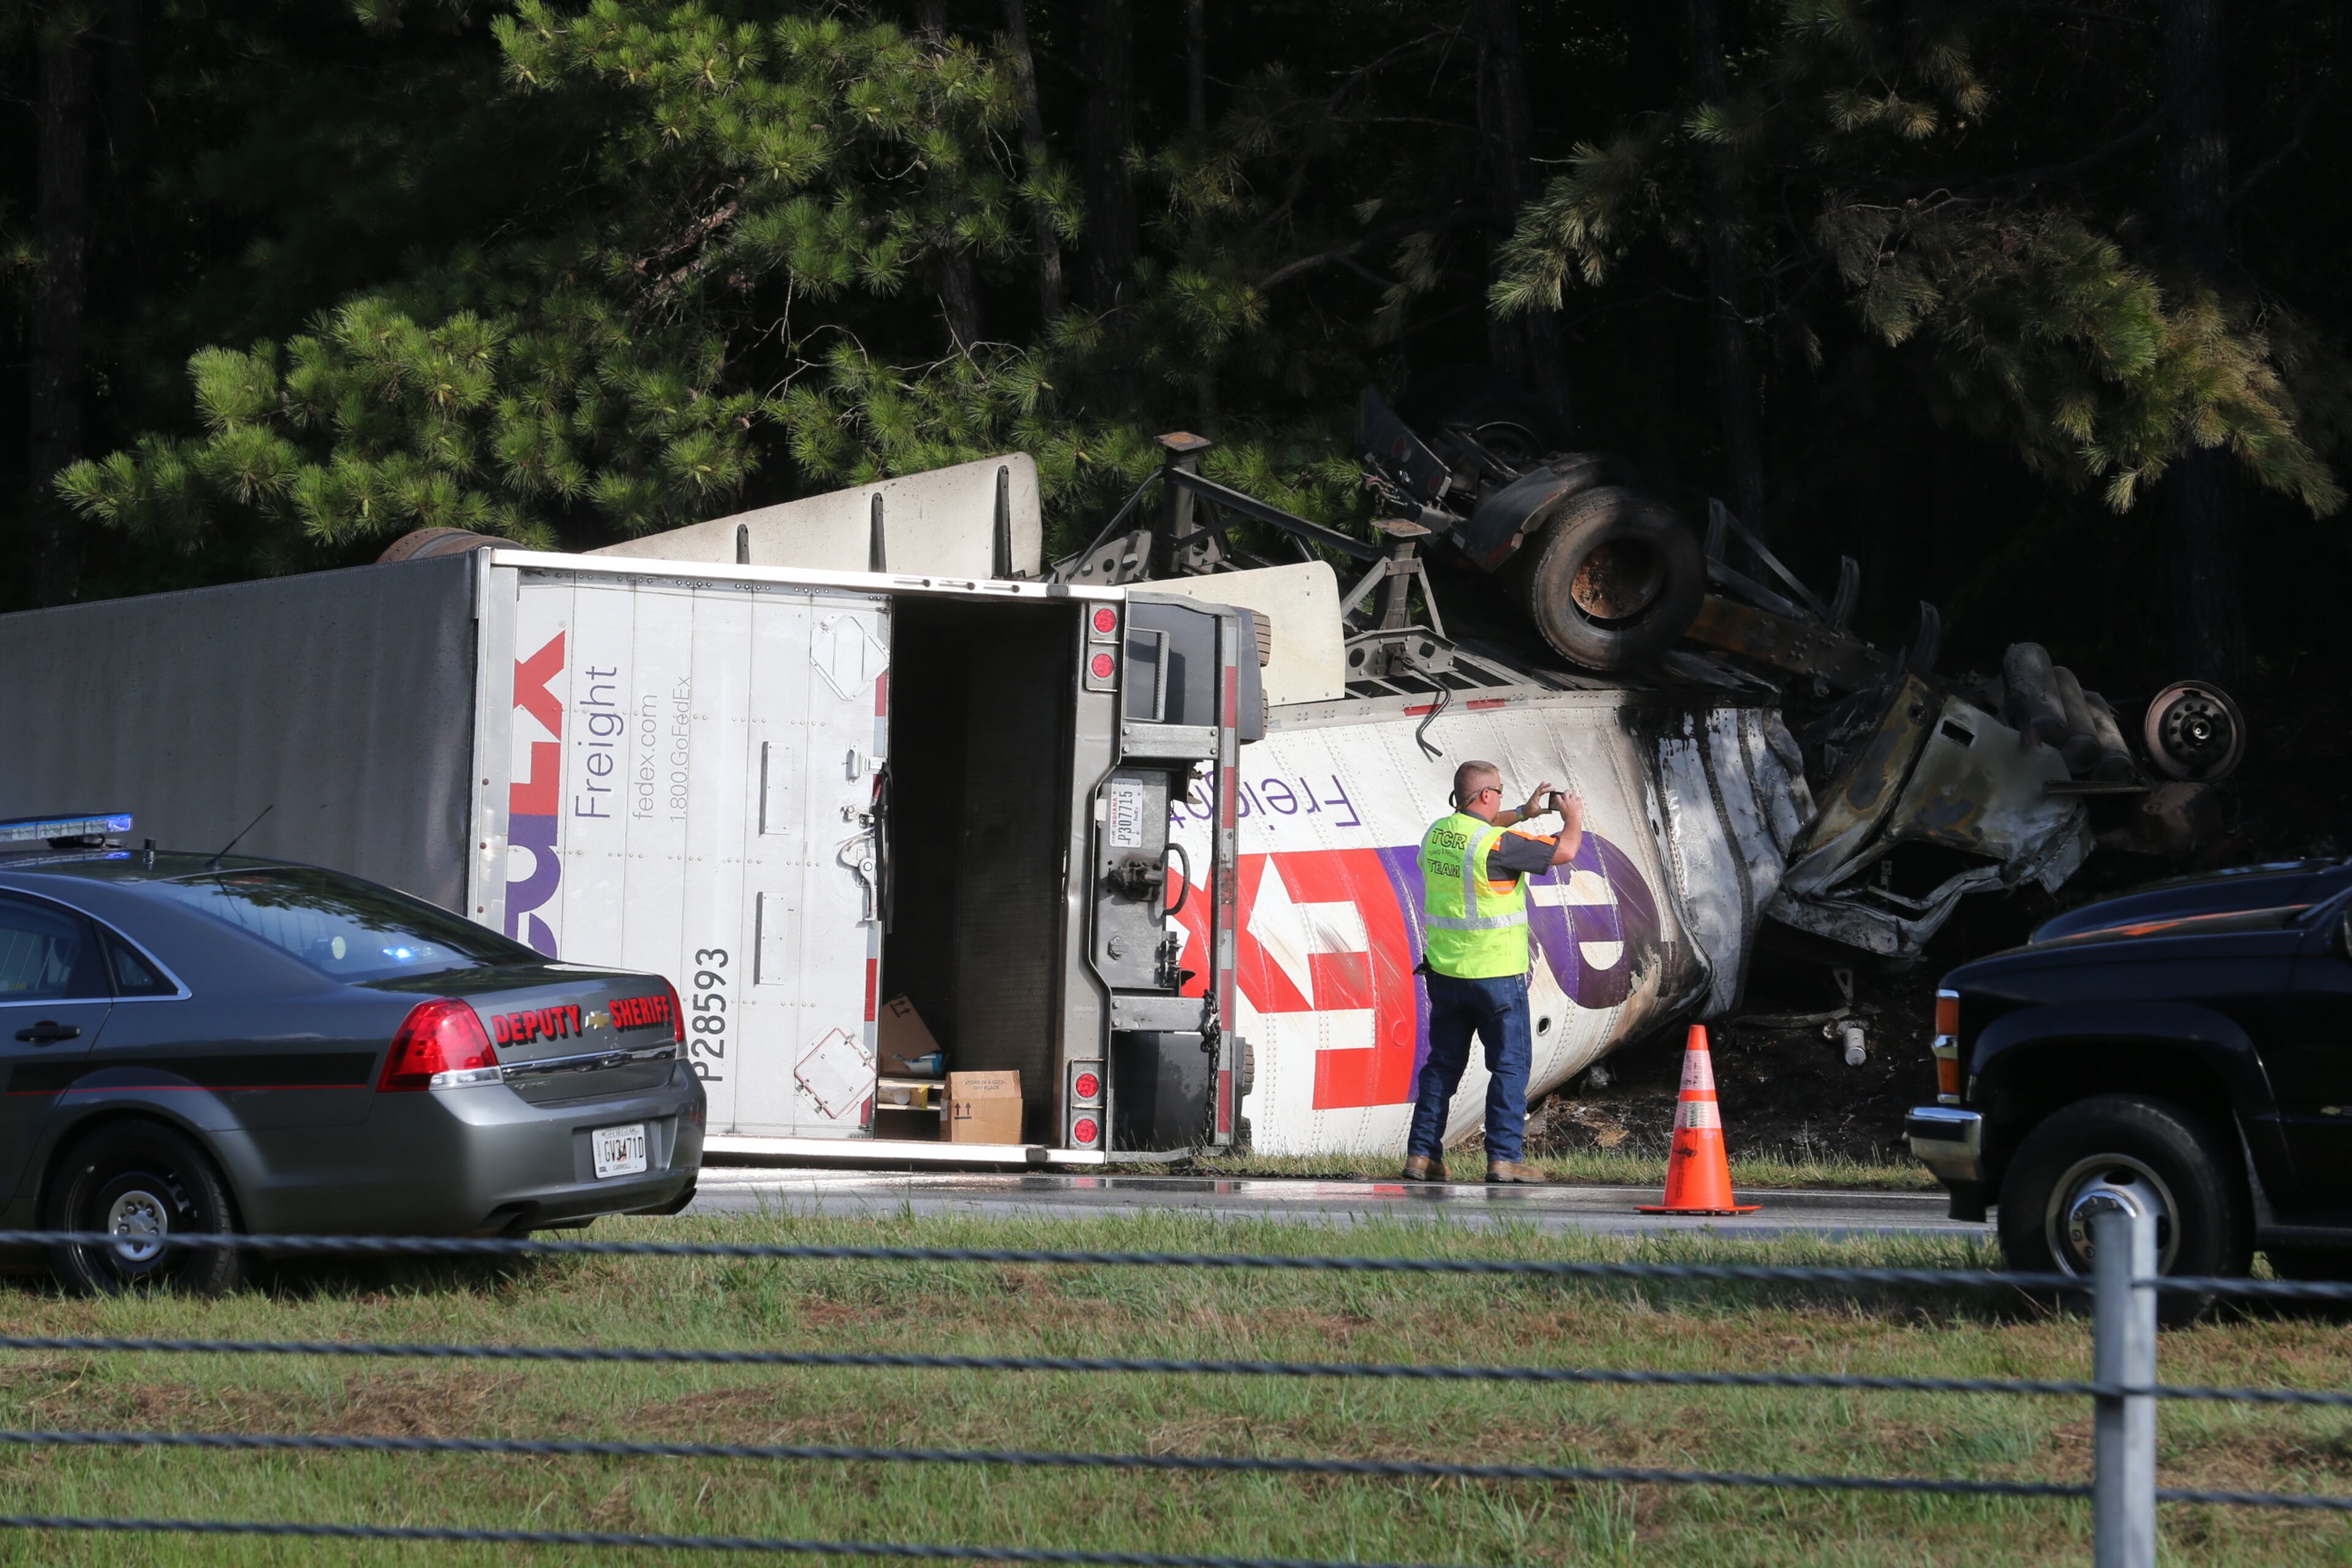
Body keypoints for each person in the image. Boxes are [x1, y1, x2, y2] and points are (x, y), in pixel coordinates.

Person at [1404, 759, 1583, 1185]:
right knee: (1509, 1065)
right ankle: (1504, 1157)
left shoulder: (1437, 835)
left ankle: (1421, 1155)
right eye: (1499, 792)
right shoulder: (1499, 847)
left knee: (1442, 1066)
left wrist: (1523, 812)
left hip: (1446, 975)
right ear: (1486, 795)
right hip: (1496, 977)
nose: (1501, 798)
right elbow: (1567, 851)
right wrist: (1572, 815)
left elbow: (1478, 825)